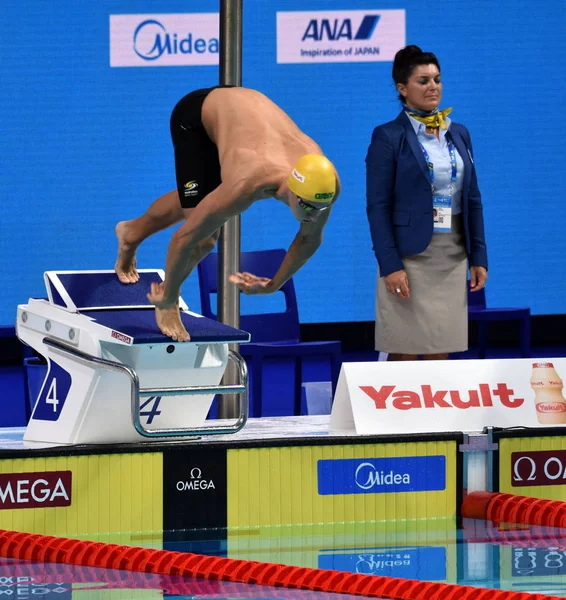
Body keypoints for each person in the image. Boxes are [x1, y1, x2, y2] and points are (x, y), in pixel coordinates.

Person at [114, 86, 340, 342]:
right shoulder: (247, 183)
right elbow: (183, 239)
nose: (313, 215)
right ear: (291, 189)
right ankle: (163, 293)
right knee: (205, 237)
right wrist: (168, 294)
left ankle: (131, 231)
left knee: (202, 203)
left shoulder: (324, 182)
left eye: (320, 208)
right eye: (308, 206)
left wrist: (273, 284)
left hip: (242, 116)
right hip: (196, 119)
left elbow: (309, 238)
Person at [365, 45, 488, 361]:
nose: (433, 86)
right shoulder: (388, 136)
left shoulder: (458, 133)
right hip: (409, 255)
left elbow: (472, 197)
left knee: (440, 347)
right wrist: (390, 265)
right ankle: (391, 412)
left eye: (437, 79)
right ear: (402, 89)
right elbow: (377, 206)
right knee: (405, 348)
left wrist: (479, 256)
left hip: (452, 253)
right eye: (423, 81)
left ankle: (434, 413)